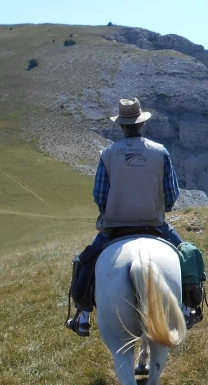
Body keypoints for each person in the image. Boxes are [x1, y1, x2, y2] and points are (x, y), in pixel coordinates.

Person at [69, 97, 186, 336]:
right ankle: (188, 307)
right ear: (142, 124)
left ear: (121, 126)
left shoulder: (108, 154)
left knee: (85, 263)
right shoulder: (160, 152)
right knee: (186, 255)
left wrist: (111, 211)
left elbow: (99, 195)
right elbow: (171, 193)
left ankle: (82, 316)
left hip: (116, 227)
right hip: (154, 226)